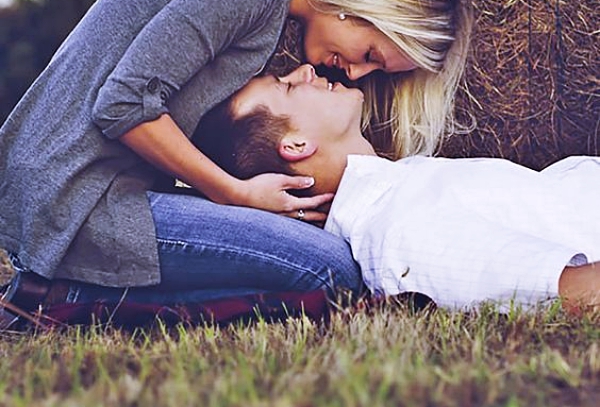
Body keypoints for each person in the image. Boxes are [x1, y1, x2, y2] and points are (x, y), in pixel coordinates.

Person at [0, 0, 471, 322]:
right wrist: (234, 195)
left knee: (316, 254)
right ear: (360, 2)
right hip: (74, 197)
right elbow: (122, 105)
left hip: (88, 188)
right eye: (370, 55)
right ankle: (67, 302)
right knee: (329, 268)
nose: (355, 74)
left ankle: (68, 290)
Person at [196, 64, 600, 314]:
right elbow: (573, 292)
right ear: (296, 146)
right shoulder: (401, 233)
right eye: (286, 86)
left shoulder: (399, 187)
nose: (304, 70)